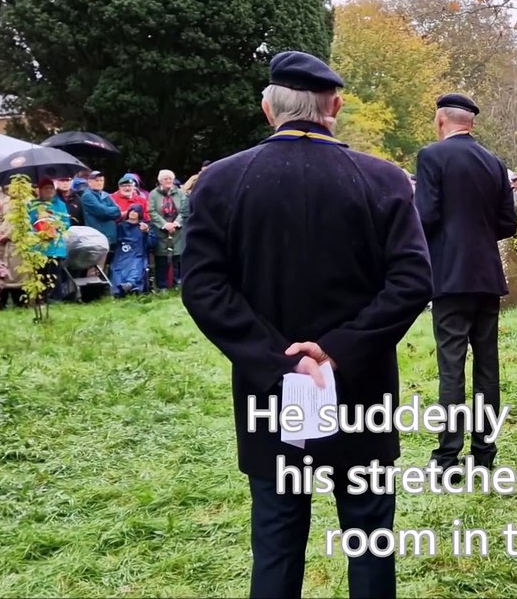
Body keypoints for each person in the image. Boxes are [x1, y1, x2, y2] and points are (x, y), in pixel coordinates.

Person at [182, 50, 432, 599]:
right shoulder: (384, 179)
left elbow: (202, 285)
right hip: (359, 385)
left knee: (276, 538)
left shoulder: (222, 182)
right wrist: (335, 352)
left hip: (268, 390)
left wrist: (278, 359)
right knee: (369, 535)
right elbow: (412, 281)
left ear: (268, 108)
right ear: (334, 107)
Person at [414, 93, 517, 471]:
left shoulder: (432, 156)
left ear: (441, 120)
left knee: (452, 367)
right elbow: (508, 223)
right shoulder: (494, 162)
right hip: (488, 275)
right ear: (470, 122)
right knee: (487, 367)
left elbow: (425, 216)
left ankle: (446, 457)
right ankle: (485, 453)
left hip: (449, 275)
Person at [29, 178, 72, 303]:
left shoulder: (60, 205)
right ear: (39, 190)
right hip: (38, 247)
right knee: (39, 274)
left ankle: (55, 299)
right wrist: (37, 230)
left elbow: (66, 223)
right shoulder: (32, 205)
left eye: (51, 188)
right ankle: (40, 300)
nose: (49, 191)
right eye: (46, 188)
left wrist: (54, 223)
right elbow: (27, 225)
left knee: (55, 274)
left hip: (55, 247)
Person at [149, 169, 190, 289]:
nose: (168, 181)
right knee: (161, 259)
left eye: (170, 179)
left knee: (179, 257)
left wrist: (176, 223)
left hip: (178, 230)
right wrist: (164, 224)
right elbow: (151, 211)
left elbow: (184, 210)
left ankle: (179, 283)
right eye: (165, 179)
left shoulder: (180, 193)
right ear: (160, 181)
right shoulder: (153, 194)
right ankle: (162, 286)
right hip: (161, 230)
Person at [80, 170, 122, 270]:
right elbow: (102, 211)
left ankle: (104, 285)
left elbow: (118, 211)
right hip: (96, 236)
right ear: (89, 182)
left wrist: (110, 210)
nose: (99, 182)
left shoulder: (105, 195)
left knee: (106, 264)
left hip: (109, 236)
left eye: (101, 180)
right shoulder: (87, 196)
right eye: (97, 180)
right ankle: (92, 285)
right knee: (95, 266)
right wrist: (110, 210)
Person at [111, 205, 153, 296]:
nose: (133, 213)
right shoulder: (120, 226)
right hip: (122, 253)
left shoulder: (144, 226)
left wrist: (146, 232)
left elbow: (151, 244)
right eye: (131, 211)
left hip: (138, 253)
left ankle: (130, 284)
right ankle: (119, 289)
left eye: (136, 211)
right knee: (118, 268)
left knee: (136, 265)